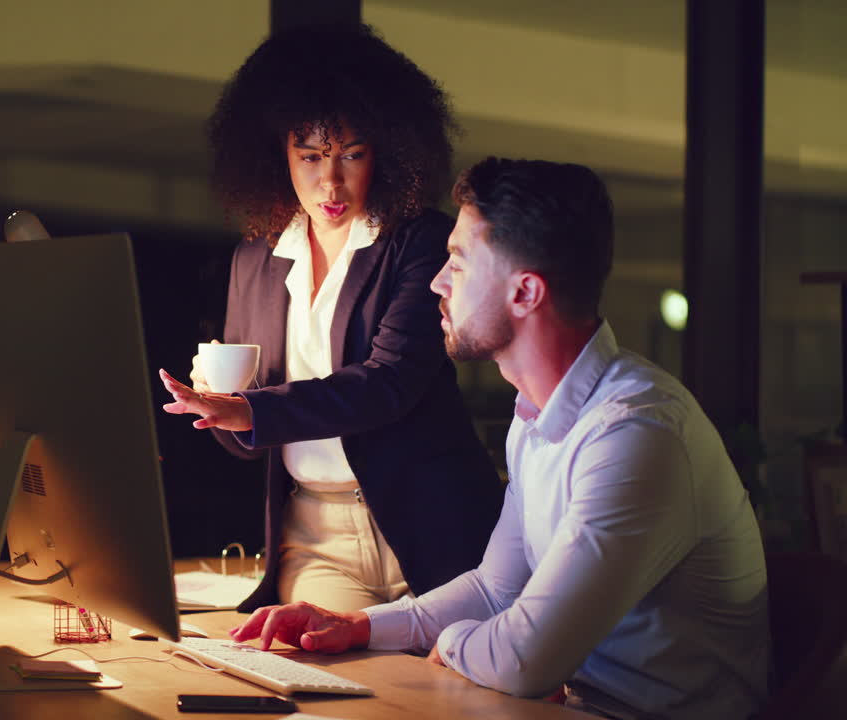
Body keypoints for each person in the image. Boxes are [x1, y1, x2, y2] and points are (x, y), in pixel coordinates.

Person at [229, 157, 771, 720]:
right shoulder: (537, 413)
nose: (438, 281)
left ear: (525, 293)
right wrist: (355, 625)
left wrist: (454, 645)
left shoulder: (635, 434)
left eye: (459, 264)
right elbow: (495, 591)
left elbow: (523, 660)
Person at [159, 24, 503, 614]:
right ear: (278, 155)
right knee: (332, 683)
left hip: (432, 524)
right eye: (311, 156)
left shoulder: (418, 244)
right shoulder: (255, 260)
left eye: (352, 154)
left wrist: (251, 408)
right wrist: (220, 406)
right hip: (317, 536)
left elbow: (388, 383)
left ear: (388, 152)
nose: (331, 180)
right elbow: (251, 443)